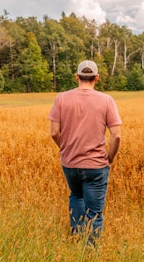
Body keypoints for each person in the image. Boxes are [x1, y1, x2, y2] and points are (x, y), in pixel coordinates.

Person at [48, 60, 122, 244]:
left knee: (76, 196)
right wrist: (110, 158)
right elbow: (117, 135)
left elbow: (54, 133)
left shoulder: (61, 98)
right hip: (96, 165)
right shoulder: (106, 100)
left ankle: (77, 238)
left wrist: (65, 148)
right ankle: (90, 249)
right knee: (94, 212)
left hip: (70, 163)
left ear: (77, 77)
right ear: (97, 78)